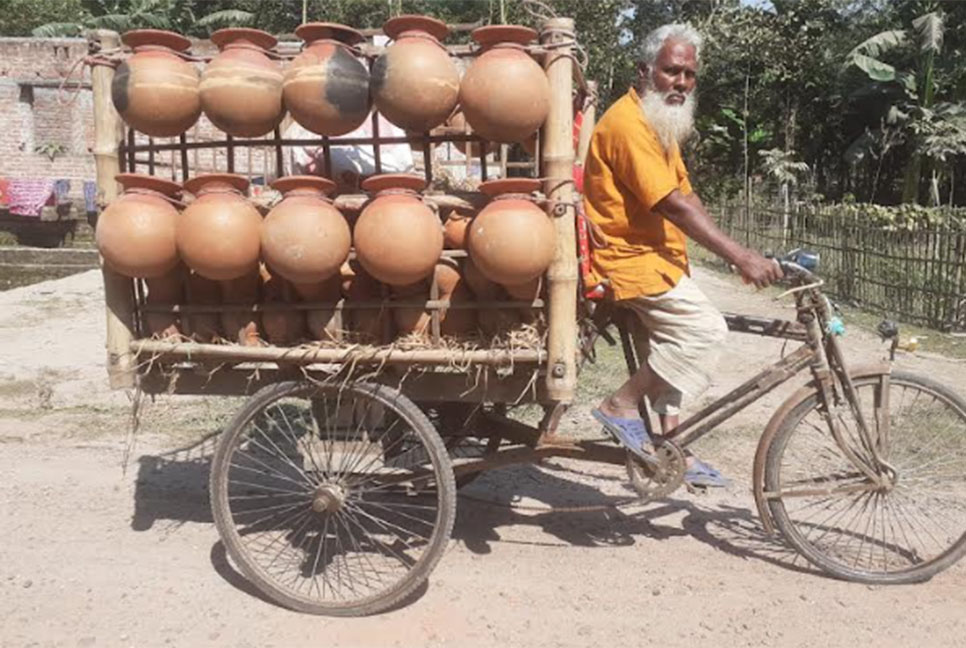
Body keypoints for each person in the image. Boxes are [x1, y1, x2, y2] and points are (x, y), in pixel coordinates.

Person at [583, 24, 783, 487]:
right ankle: (619, 404)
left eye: (689, 74)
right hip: (628, 261)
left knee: (674, 342)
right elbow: (670, 203)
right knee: (703, 332)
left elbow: (687, 197)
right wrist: (739, 257)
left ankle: (673, 447)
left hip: (657, 260)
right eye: (672, 71)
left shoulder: (658, 123)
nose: (681, 82)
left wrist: (737, 249)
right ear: (644, 70)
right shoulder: (626, 124)